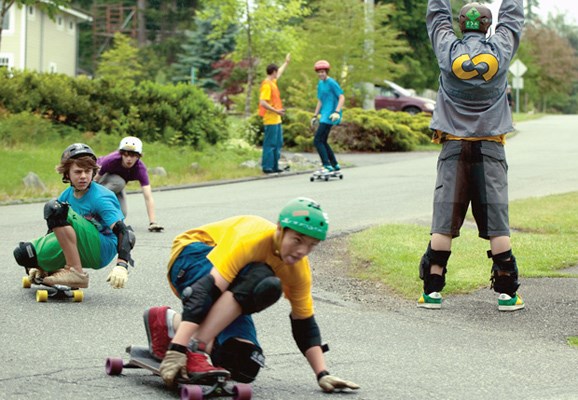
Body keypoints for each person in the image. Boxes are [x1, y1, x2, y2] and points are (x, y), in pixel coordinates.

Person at [142, 197, 359, 393]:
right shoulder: (251, 239)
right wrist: (177, 349)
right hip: (192, 257)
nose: (302, 251)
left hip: (235, 287)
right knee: (262, 276)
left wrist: (323, 374)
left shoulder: (299, 269)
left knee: (244, 363)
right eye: (297, 240)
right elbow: (205, 292)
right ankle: (192, 344)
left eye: (312, 245)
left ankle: (169, 323)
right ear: (280, 229)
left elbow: (305, 324)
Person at [418, 0, 525, 311]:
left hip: (453, 144)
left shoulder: (447, 48)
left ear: (460, 24)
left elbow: (437, 16)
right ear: (489, 26)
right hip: (490, 145)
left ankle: (432, 291)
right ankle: (506, 293)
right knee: (496, 220)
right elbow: (513, 19)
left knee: (444, 218)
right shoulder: (501, 49)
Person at [13, 143, 135, 289]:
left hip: (101, 248)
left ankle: (75, 273)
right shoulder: (66, 195)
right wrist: (37, 265)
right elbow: (56, 231)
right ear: (67, 174)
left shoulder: (101, 197)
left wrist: (122, 264)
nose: (83, 176)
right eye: (78, 172)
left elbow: (124, 231)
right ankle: (52, 271)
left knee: (55, 207)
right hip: (78, 243)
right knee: (24, 254)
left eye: (88, 171)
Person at [95, 136, 164, 232]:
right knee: (119, 182)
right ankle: (94, 206)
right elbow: (95, 180)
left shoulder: (140, 169)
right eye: (125, 155)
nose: (128, 159)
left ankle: (102, 222)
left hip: (117, 185)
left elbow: (148, 196)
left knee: (122, 214)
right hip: (98, 173)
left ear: (138, 156)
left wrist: (153, 222)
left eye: (132, 155)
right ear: (121, 154)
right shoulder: (111, 160)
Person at [310, 60, 345, 173]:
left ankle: (326, 165)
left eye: (323, 72)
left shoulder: (332, 82)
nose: (321, 74)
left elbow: (341, 97)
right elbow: (320, 100)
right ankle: (334, 164)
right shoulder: (320, 84)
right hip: (324, 115)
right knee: (323, 141)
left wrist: (336, 111)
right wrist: (315, 115)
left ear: (327, 72)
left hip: (331, 115)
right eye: (319, 72)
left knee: (317, 140)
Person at [258, 54, 290, 174]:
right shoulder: (267, 85)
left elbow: (280, 72)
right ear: (273, 72)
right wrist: (276, 111)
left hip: (276, 119)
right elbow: (262, 102)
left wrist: (286, 63)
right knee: (270, 143)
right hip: (270, 118)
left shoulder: (272, 82)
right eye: (276, 72)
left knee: (277, 143)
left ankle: (275, 166)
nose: (278, 74)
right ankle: (267, 167)